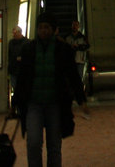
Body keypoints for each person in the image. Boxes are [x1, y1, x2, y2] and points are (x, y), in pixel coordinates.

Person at [14, 12, 88, 167]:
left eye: (47, 27)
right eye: (40, 27)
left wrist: (81, 99)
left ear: (54, 29)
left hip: (55, 103)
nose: (43, 31)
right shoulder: (29, 49)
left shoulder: (63, 50)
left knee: (54, 145)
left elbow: (73, 75)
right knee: (33, 142)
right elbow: (22, 78)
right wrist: (15, 103)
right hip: (34, 103)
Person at [8, 24, 27, 115]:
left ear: (20, 33)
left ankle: (21, 110)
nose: (13, 35)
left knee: (22, 91)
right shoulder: (11, 43)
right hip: (14, 70)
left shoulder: (27, 43)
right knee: (15, 90)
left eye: (15, 33)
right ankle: (16, 110)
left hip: (23, 71)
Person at [66, 21, 90, 89]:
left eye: (76, 25)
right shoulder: (68, 37)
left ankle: (79, 91)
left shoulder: (82, 37)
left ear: (78, 27)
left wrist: (78, 46)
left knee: (79, 77)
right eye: (73, 25)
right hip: (71, 60)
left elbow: (87, 46)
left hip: (80, 60)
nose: (74, 27)